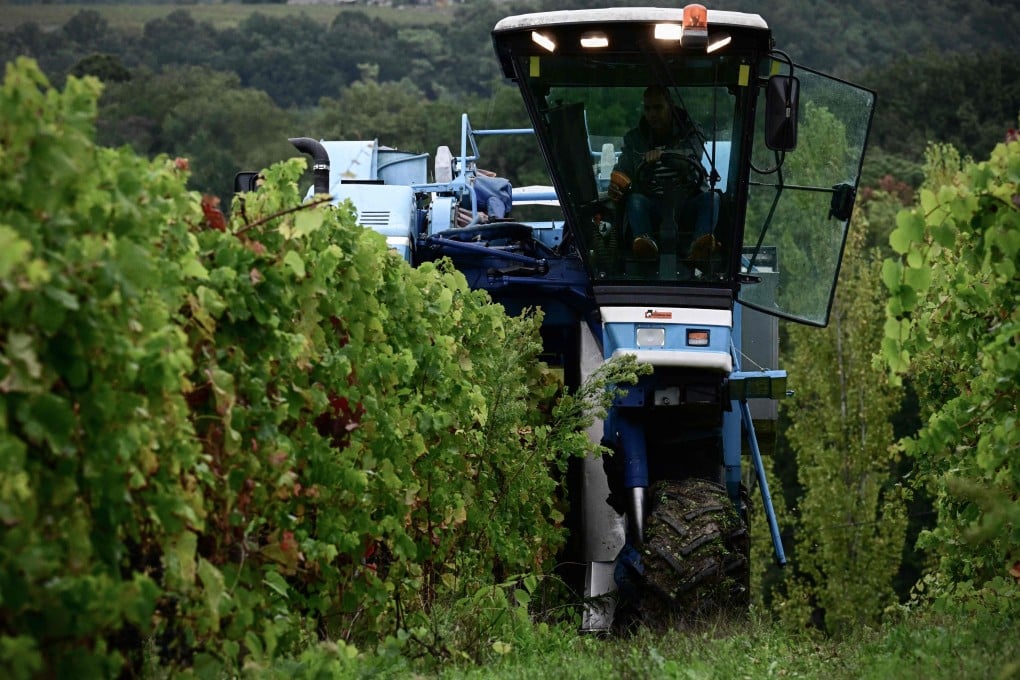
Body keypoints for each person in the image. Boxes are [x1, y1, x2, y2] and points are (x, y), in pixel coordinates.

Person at [608, 85, 719, 259]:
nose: (652, 114)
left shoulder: (691, 131)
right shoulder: (634, 139)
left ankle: (700, 246)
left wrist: (664, 156)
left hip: (687, 204)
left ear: (671, 106)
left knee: (712, 198)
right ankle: (645, 245)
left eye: (658, 107)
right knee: (635, 201)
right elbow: (623, 167)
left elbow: (694, 155)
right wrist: (615, 184)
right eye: (648, 108)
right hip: (653, 207)